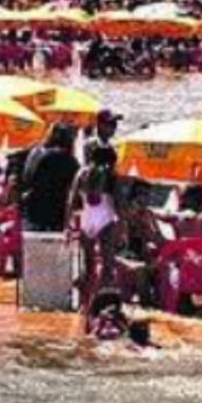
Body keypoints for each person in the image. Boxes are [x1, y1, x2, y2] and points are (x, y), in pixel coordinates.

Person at [67, 143, 123, 304]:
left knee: (88, 263)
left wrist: (67, 224)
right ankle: (101, 300)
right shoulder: (112, 175)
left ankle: (84, 302)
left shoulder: (81, 173)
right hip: (106, 219)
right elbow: (119, 204)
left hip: (87, 219)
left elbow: (71, 200)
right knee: (107, 264)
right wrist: (123, 226)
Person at [21, 123, 80, 232]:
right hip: (58, 211)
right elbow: (75, 186)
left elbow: (27, 177)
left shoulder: (38, 153)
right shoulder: (71, 161)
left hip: (35, 208)